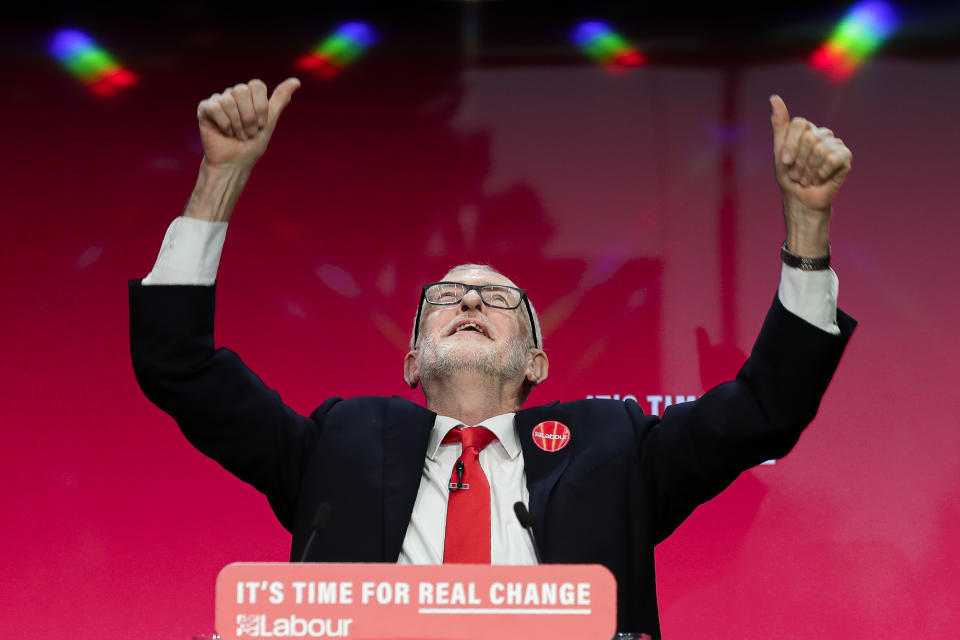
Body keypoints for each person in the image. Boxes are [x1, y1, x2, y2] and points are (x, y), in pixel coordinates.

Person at [129, 78, 855, 638]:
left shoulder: (617, 451)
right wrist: (218, 178)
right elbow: (180, 366)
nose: (471, 302)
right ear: (412, 361)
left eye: (498, 299)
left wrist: (808, 223)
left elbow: (769, 406)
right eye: (446, 296)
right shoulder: (337, 443)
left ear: (536, 363)